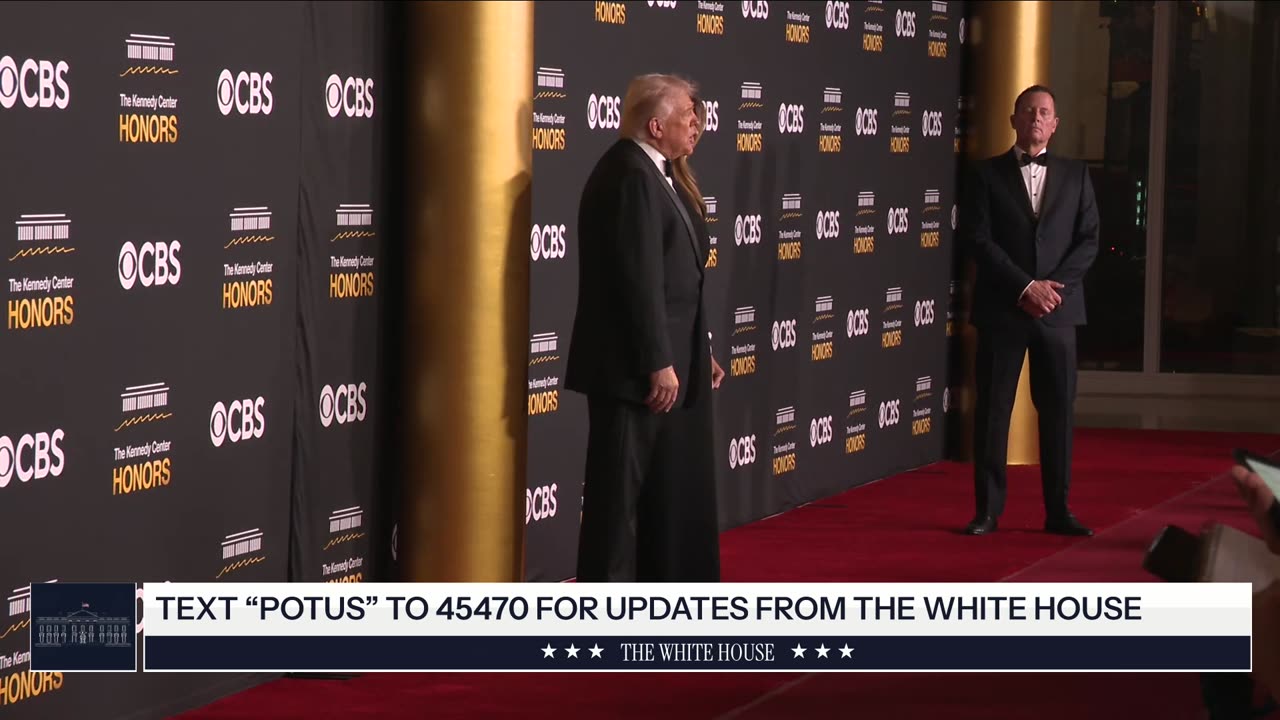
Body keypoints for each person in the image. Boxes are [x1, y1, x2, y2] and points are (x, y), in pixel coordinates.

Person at [566, 73, 723, 582]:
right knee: (617, 501)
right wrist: (658, 360)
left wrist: (698, 350)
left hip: (665, 366)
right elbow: (638, 281)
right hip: (634, 374)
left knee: (654, 495)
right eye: (688, 117)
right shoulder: (631, 176)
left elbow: (678, 277)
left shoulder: (659, 173)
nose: (697, 125)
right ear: (656, 126)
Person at [959, 84, 1099, 536]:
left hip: (1058, 313)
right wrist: (1025, 286)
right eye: (1028, 111)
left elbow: (1089, 240)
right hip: (1004, 309)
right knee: (993, 413)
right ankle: (987, 512)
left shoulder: (1078, 176)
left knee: (1058, 413)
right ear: (1013, 119)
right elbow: (978, 239)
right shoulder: (984, 175)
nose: (1036, 118)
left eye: (1045, 113)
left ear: (1054, 125)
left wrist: (1051, 290)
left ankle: (1058, 511)